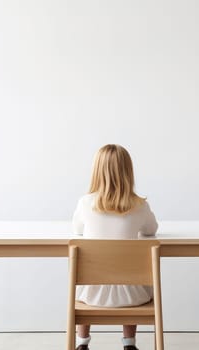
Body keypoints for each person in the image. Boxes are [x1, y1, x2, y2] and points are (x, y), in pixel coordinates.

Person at [72, 144, 158, 350]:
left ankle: (82, 342)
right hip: (133, 297)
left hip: (91, 297)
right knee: (131, 274)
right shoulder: (139, 205)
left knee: (85, 279)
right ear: (128, 172)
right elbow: (151, 230)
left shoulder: (85, 203)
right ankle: (129, 342)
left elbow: (77, 229)